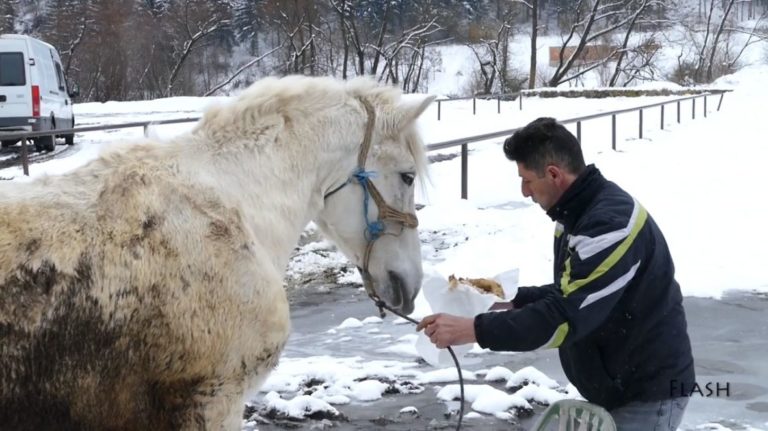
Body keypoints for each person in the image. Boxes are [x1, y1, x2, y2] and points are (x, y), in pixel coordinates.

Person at [416, 117, 694, 430]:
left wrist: (473, 329)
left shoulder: (610, 226)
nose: (523, 191)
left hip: (648, 393)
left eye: (526, 179)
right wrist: (501, 298)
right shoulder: (575, 213)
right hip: (616, 383)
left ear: (553, 174)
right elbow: (573, 292)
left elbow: (566, 317)